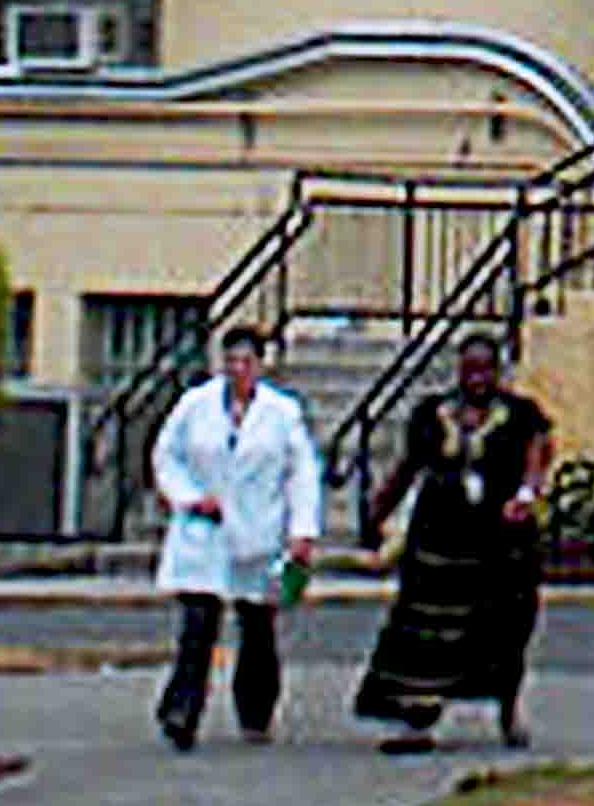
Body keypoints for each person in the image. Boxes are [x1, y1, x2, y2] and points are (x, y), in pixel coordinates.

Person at [349, 324, 563, 752]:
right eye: (469, 370)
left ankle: (506, 709)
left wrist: (525, 495)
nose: (476, 380)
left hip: (498, 541)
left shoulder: (521, 415)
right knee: (426, 631)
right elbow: (408, 467)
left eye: (485, 371)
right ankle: (418, 718)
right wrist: (375, 515)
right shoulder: (433, 412)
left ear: (498, 373)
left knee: (502, 629)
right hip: (438, 538)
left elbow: (537, 458)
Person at [146, 321, 324, 754]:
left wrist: (301, 533)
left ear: (262, 365)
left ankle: (256, 711)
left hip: (259, 532)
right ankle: (181, 712)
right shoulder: (195, 405)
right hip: (204, 531)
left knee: (256, 627)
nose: (238, 369)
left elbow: (302, 474)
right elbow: (165, 455)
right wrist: (188, 497)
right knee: (197, 626)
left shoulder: (283, 413)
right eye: (231, 361)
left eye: (247, 361)